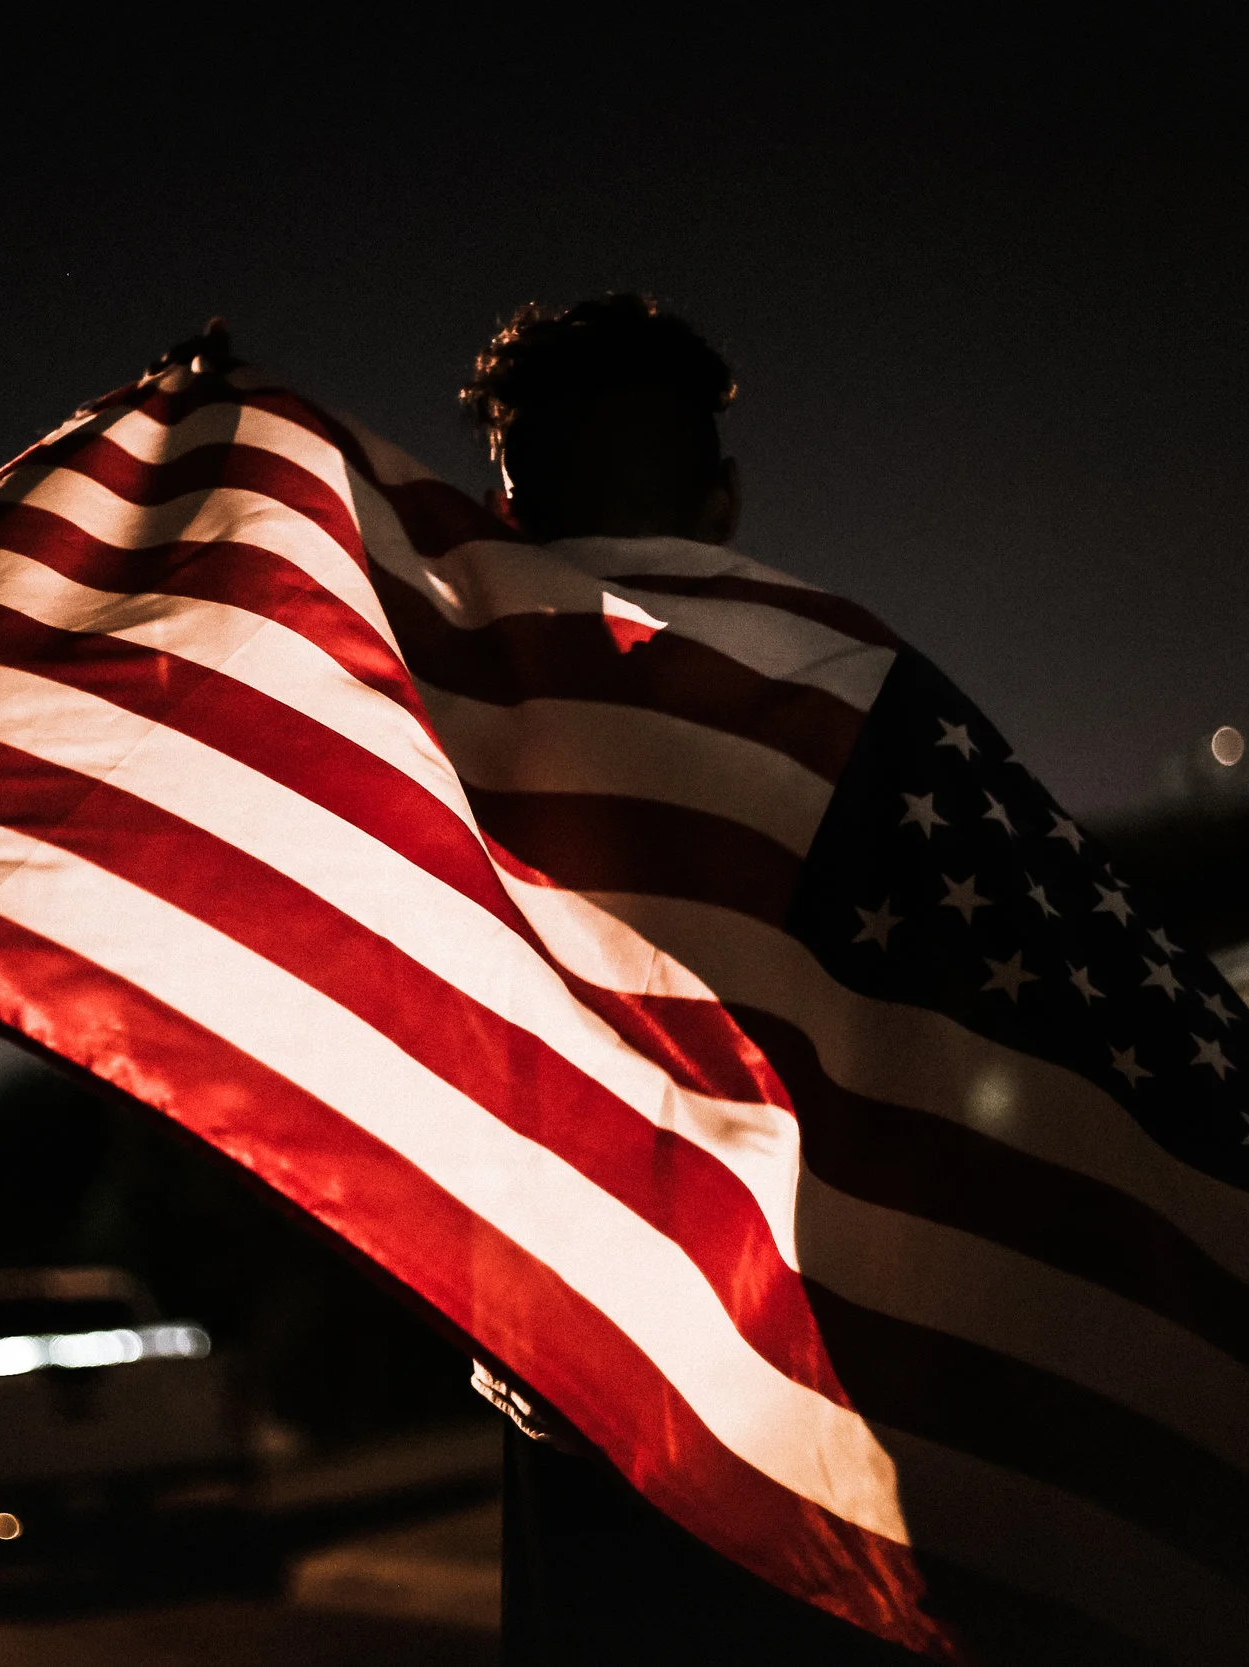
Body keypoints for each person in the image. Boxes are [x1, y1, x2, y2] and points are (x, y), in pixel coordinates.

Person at [461, 295, 916, 1666]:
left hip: (607, 1390)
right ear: (724, 501)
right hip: (796, 1398)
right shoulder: (859, 723)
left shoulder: (442, 750)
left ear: (507, 508)